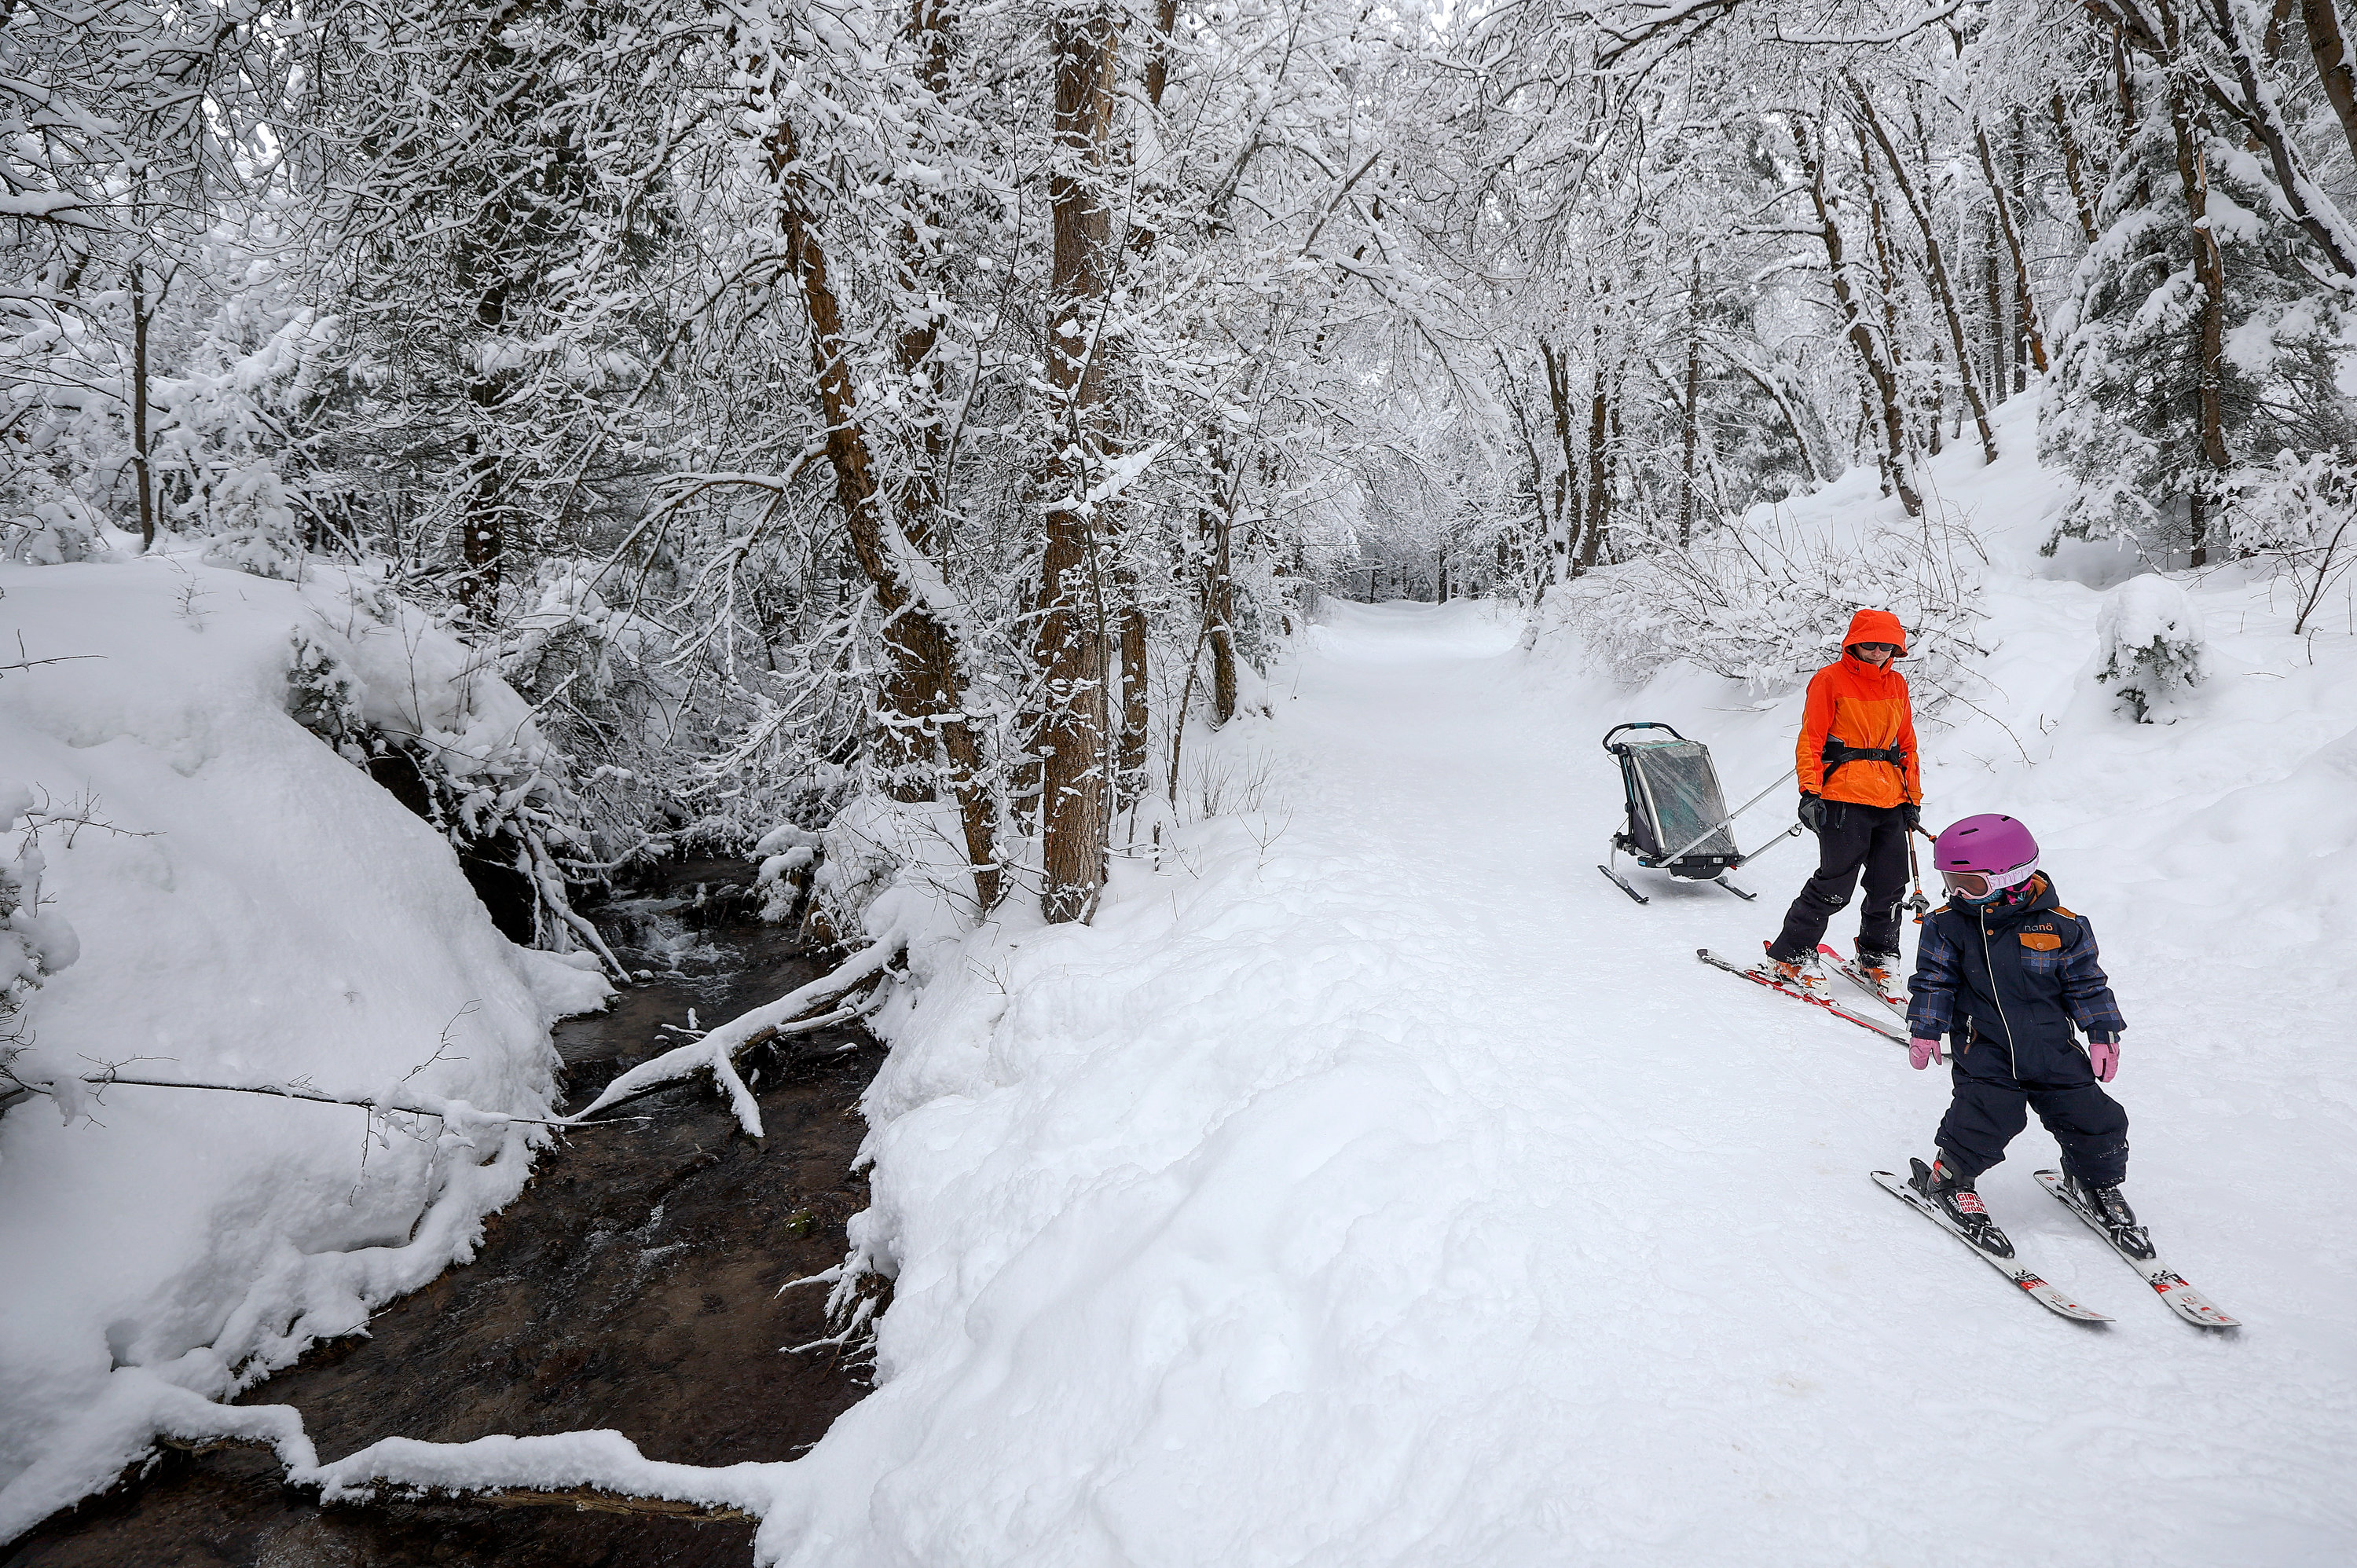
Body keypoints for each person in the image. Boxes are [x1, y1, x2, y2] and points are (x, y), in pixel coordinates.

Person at [1901, 813, 2138, 1258]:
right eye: (1949, 880)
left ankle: (2095, 1180)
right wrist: (1927, 1027)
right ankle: (1950, 1178)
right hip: (1984, 1049)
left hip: (2053, 1049)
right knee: (1987, 1117)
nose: (1954, 892)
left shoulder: (2063, 926)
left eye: (1968, 883)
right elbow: (1934, 980)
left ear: (2012, 876)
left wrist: (2103, 1031)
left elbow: (2087, 984)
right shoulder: (1947, 924)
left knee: (2096, 1119)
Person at [1759, 608, 1923, 991]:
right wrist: (1809, 791)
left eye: (1886, 646)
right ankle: (1790, 955)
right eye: (1870, 645)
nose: (1878, 652)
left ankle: (1876, 955)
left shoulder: (1897, 684)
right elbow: (1812, 738)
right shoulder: (1829, 679)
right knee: (1835, 883)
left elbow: (1908, 745)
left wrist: (1912, 796)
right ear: (1854, 643)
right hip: (1843, 795)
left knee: (1891, 884)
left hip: (1890, 798)